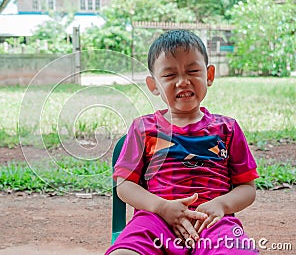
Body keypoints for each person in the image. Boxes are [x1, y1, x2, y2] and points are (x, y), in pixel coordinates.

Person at [105, 30, 259, 255]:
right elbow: (125, 185)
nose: (183, 81)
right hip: (153, 221)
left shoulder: (228, 129)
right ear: (153, 84)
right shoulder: (143, 129)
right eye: (169, 75)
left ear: (209, 75)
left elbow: (247, 188)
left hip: (212, 224)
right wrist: (162, 207)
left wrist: (222, 205)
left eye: (193, 71)